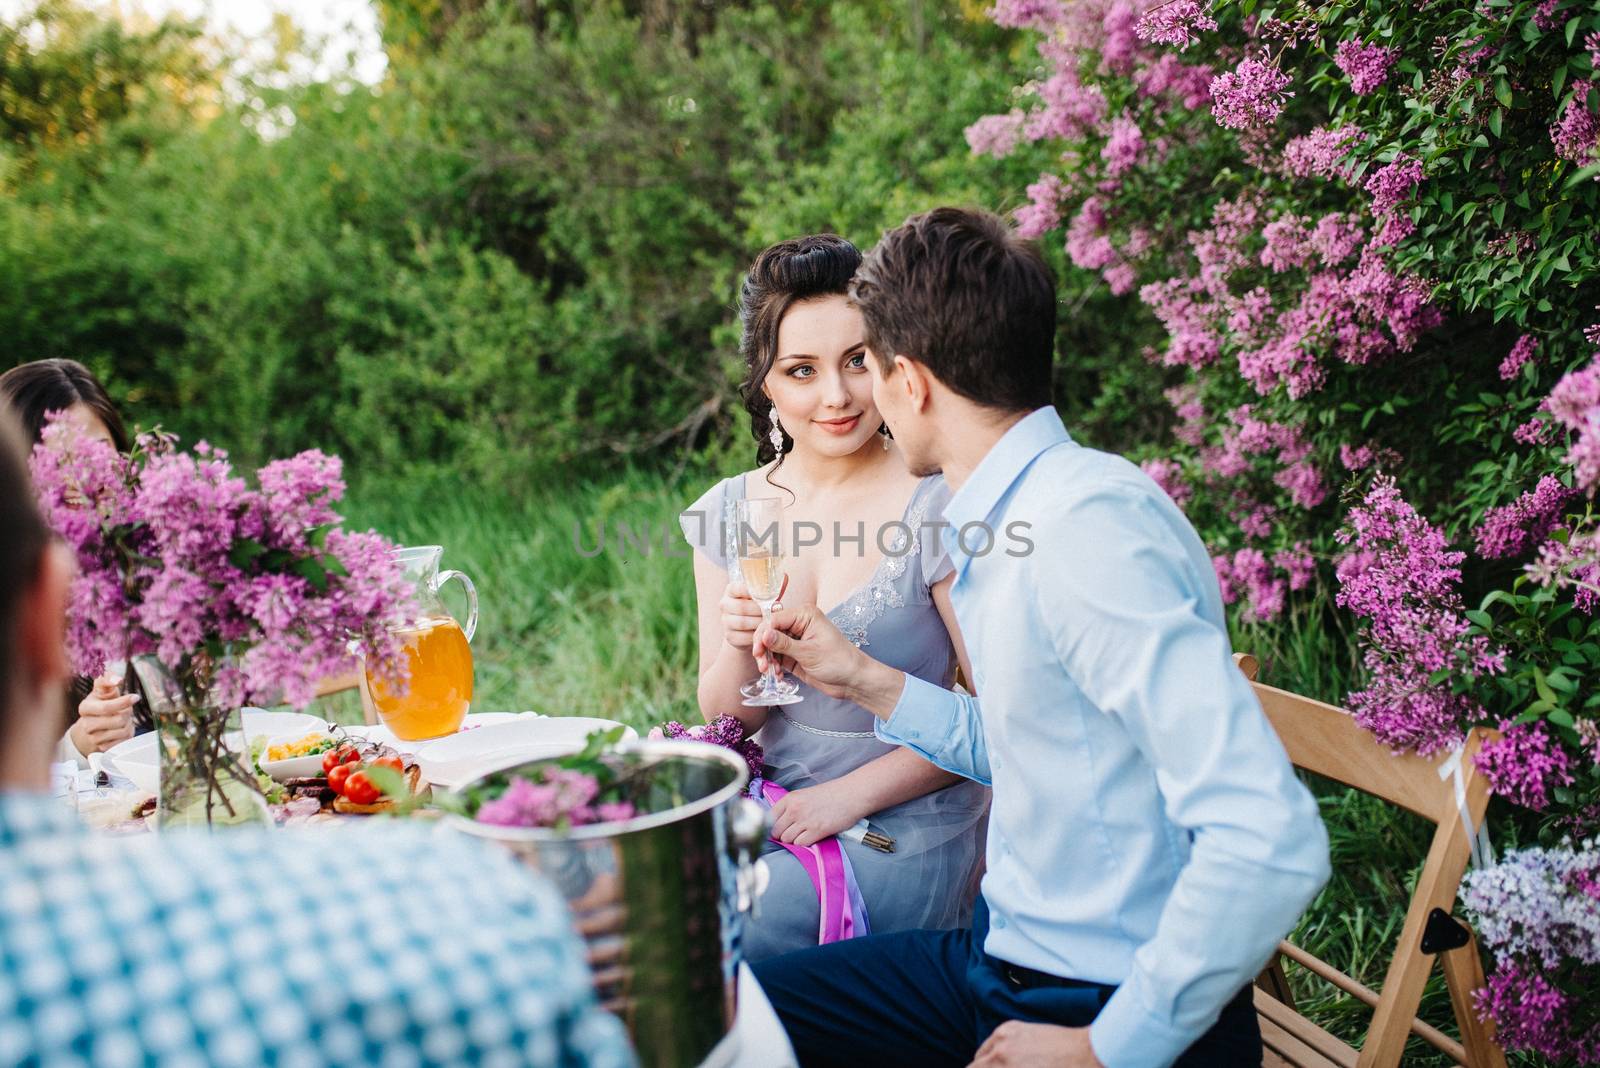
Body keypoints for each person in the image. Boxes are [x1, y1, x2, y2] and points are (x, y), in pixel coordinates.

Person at [749, 208, 1331, 1067]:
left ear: (909, 383)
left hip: (1095, 1000)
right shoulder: (1005, 516)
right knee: (736, 1017)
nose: (854, 393)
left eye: (866, 364)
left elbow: (1271, 838)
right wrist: (863, 677)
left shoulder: (1084, 531)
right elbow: (1034, 743)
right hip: (997, 962)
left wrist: (1105, 1049)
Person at [0, 400, 635, 1067]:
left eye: (102, 458)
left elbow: (342, 675)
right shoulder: (465, 902)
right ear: (50, 615)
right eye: (63, 468)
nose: (88, 486)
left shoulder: (163, 560)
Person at [680, 235, 987, 961]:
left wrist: (847, 798)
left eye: (857, 360)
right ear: (765, 382)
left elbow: (1004, 723)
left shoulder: (939, 501)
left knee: (717, 936)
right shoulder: (727, 510)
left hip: (904, 826)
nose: (837, 396)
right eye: (801, 370)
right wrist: (734, 637)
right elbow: (729, 717)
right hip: (771, 813)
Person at [0, 358, 141, 764]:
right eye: (57, 461)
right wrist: (77, 746)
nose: (82, 477)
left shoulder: (159, 562)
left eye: (97, 453)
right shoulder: (15, 593)